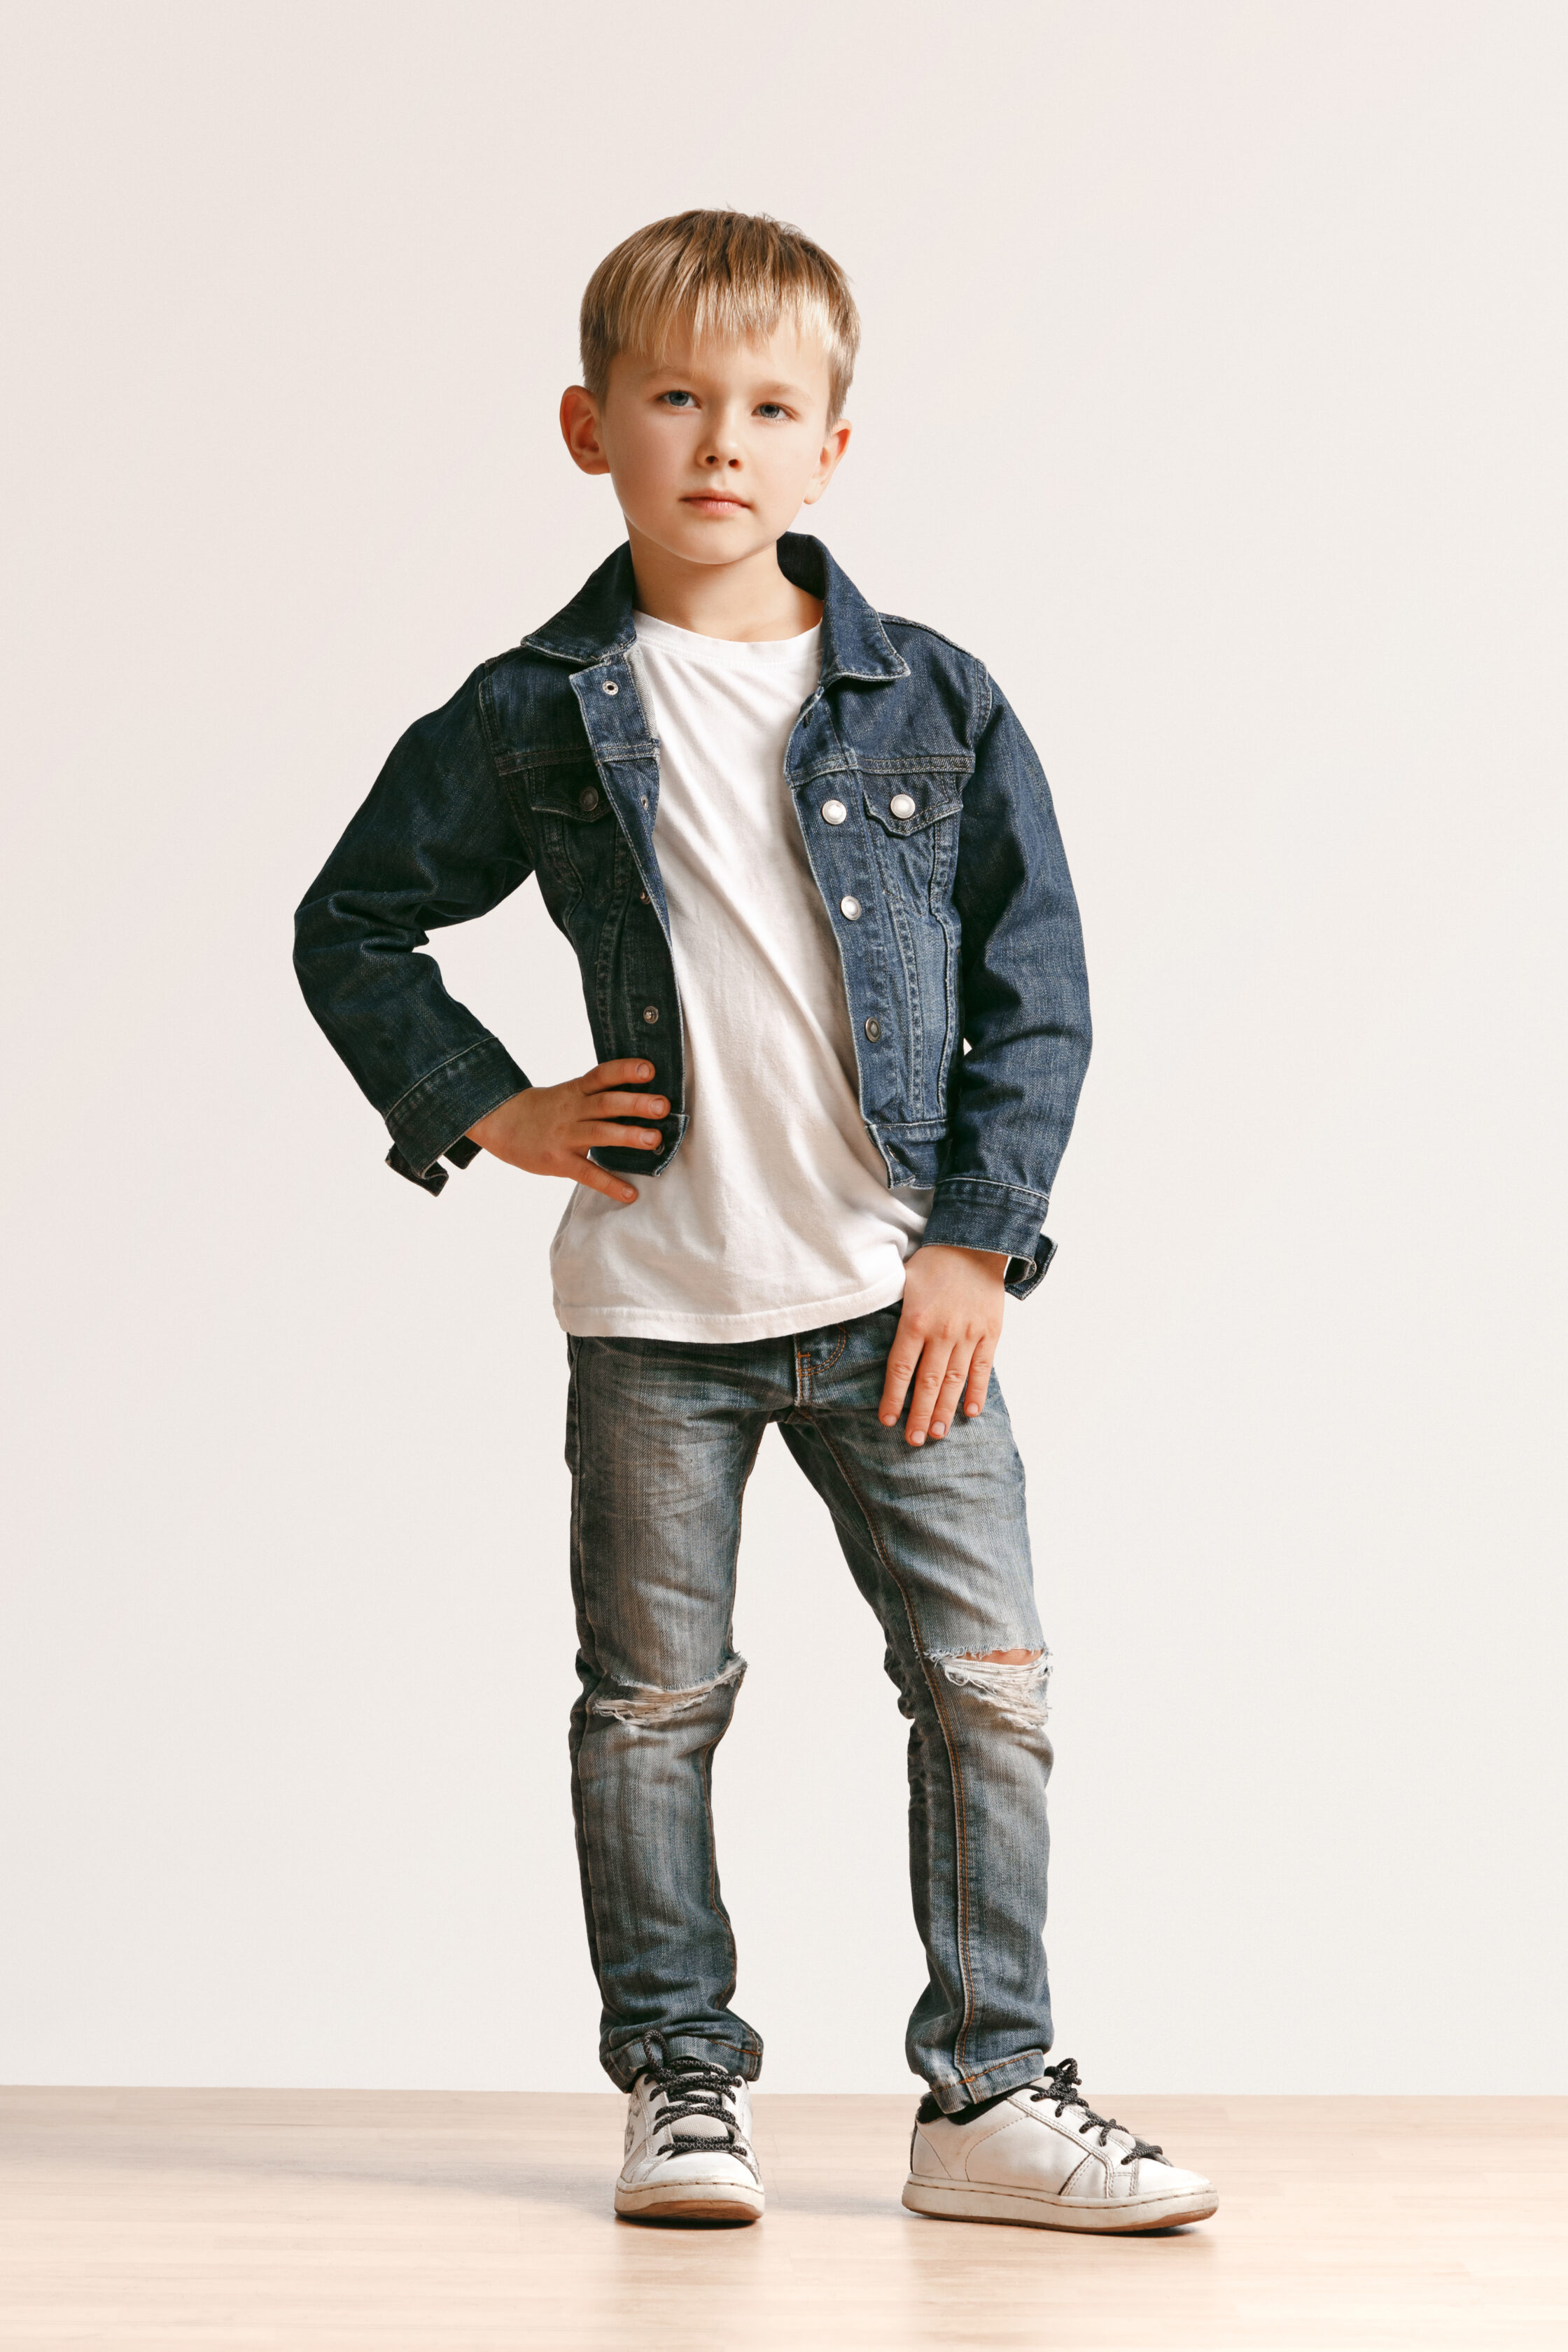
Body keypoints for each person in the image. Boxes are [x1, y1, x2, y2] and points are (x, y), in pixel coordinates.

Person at [293, 210, 1217, 2235]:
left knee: (986, 1685)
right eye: (678, 399)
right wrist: (489, 1108)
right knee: (652, 1707)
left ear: (832, 451)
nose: (723, 439)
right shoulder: (540, 707)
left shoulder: (933, 700)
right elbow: (353, 924)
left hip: (902, 1306)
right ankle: (682, 2090)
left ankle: (989, 2094)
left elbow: (1038, 983)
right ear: (590, 427)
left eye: (770, 406)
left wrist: (980, 1243)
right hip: (654, 1313)